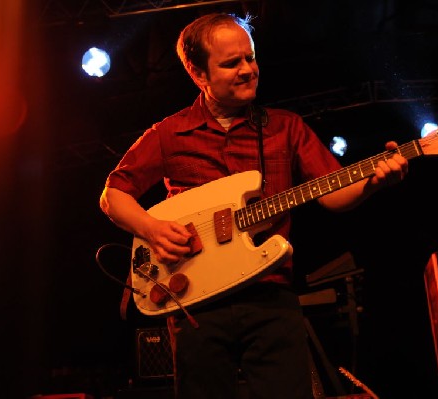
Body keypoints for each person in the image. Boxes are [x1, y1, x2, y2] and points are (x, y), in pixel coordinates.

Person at [99, 12, 408, 399]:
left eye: (250, 58)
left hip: (271, 295)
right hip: (197, 302)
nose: (248, 70)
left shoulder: (286, 127)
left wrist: (373, 182)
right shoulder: (169, 133)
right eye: (231, 63)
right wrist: (153, 230)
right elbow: (113, 194)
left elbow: (332, 194)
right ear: (198, 74)